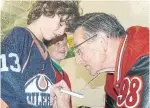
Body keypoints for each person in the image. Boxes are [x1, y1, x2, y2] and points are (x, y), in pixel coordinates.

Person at [50, 13, 149, 108]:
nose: (78, 61)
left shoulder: (144, 56)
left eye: (79, 50)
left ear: (102, 41)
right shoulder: (112, 75)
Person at [1, 1, 80, 108]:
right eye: (61, 23)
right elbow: (5, 92)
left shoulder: (46, 55)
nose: (61, 32)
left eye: (65, 28)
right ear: (47, 8)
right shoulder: (19, 36)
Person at [44, 33, 72, 107]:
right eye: (57, 43)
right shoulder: (44, 72)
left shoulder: (65, 75)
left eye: (65, 43)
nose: (63, 46)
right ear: (46, 47)